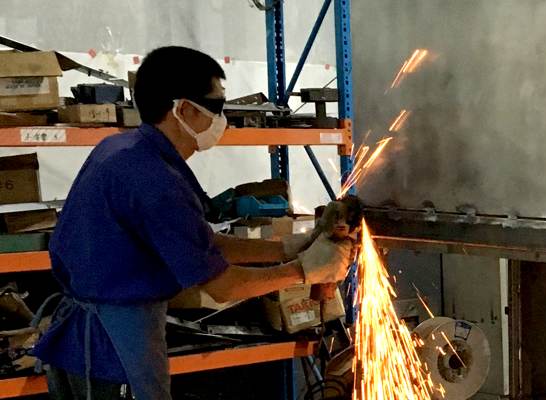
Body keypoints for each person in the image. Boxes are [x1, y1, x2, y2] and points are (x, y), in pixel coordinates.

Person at [32, 46, 353, 400]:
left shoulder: (125, 149)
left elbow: (198, 243)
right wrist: (303, 271)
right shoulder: (155, 180)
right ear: (182, 109)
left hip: (85, 343)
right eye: (216, 107)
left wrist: (287, 247)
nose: (223, 118)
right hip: (112, 353)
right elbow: (223, 287)